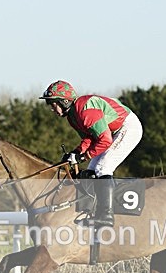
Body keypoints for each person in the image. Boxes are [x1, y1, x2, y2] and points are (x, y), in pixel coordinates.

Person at [40, 80, 143, 228]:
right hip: (112, 132)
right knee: (91, 170)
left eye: (53, 104)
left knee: (103, 167)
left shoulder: (84, 111)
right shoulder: (72, 117)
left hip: (127, 127)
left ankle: (106, 215)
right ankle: (95, 210)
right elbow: (90, 139)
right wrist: (76, 152)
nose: (51, 108)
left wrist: (83, 156)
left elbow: (104, 140)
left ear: (64, 101)